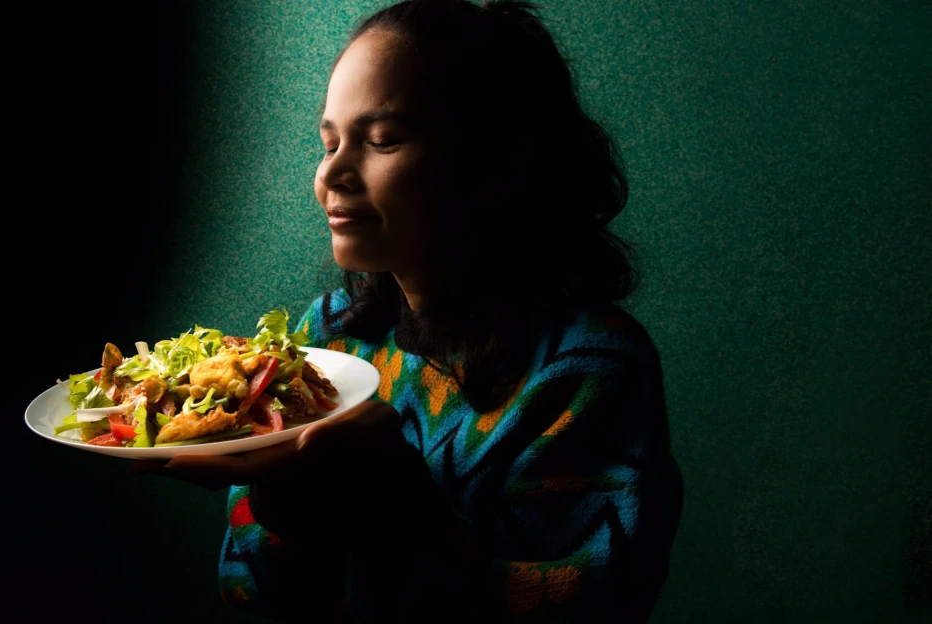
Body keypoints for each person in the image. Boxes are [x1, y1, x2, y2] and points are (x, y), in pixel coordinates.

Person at [146, 1, 683, 621]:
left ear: (500, 163)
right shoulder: (327, 340)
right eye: (330, 143)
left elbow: (588, 605)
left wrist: (401, 509)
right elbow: (249, 588)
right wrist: (280, 509)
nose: (333, 173)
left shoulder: (588, 370)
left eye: (382, 140)